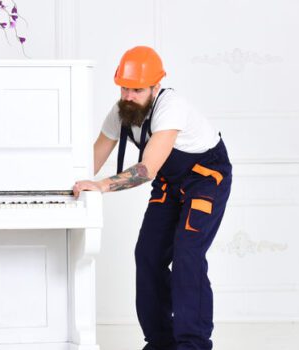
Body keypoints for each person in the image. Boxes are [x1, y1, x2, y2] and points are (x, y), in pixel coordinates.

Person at [73, 46, 232, 350]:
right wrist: (61, 184)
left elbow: (147, 169)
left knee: (188, 254)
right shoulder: (121, 112)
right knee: (147, 255)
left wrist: (102, 186)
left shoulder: (170, 107)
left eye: (137, 89)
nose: (129, 96)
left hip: (206, 180)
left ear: (155, 86)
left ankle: (193, 344)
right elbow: (89, 160)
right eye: (124, 88)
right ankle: (161, 342)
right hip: (170, 184)